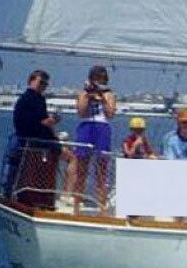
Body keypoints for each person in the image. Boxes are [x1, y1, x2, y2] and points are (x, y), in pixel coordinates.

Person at [9, 69, 62, 209]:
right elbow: (34, 123)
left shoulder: (37, 99)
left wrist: (52, 131)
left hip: (38, 141)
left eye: (45, 83)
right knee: (70, 158)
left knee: (65, 155)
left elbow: (42, 122)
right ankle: (42, 196)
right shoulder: (29, 99)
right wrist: (51, 121)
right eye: (41, 82)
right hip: (33, 142)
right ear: (31, 80)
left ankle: (52, 195)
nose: (43, 85)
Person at [73, 65, 117, 212]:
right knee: (81, 169)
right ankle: (76, 205)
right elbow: (81, 112)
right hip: (86, 127)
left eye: (102, 80)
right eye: (96, 79)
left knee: (101, 170)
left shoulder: (109, 94)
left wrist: (102, 98)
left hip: (102, 127)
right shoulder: (83, 93)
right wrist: (88, 96)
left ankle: (102, 206)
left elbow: (110, 114)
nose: (99, 82)